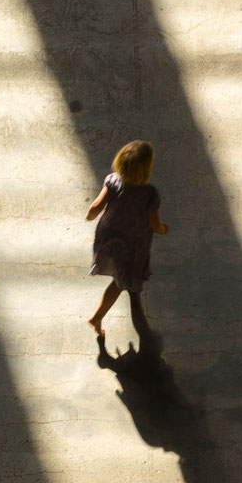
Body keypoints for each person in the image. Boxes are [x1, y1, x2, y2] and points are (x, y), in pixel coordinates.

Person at [85, 140, 169, 341]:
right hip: (131, 246)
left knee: (119, 278)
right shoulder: (150, 193)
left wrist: (90, 215)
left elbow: (96, 206)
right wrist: (164, 229)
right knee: (122, 282)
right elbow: (153, 224)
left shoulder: (113, 181)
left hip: (108, 238)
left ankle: (100, 315)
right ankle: (97, 317)